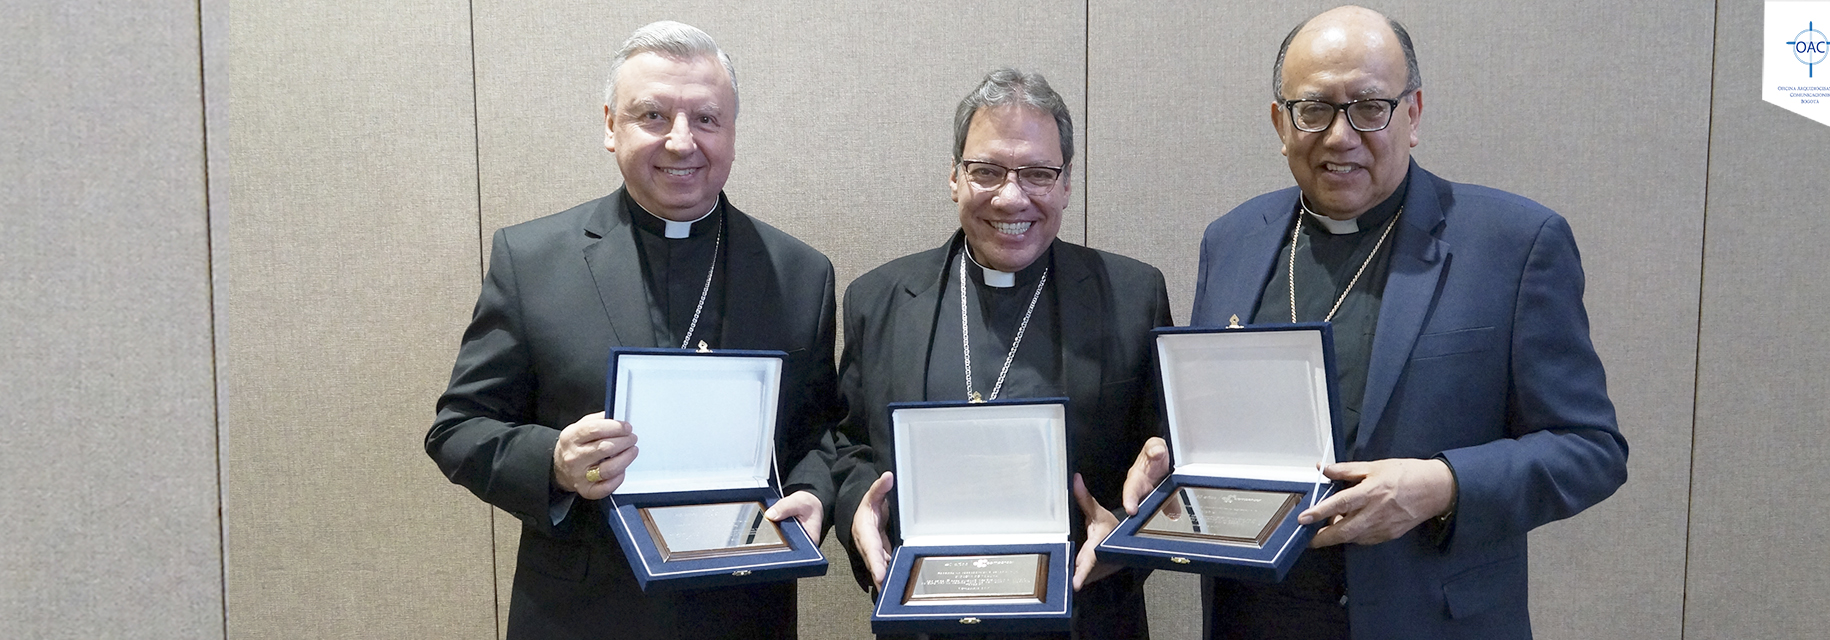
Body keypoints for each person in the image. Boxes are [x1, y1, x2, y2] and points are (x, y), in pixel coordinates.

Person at [1120, 6, 1629, 639]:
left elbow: (1591, 450)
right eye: (1314, 109)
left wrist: (1442, 485)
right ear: (1281, 123)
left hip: (1427, 619)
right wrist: (1168, 460)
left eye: (1369, 106)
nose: (1340, 136)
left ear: (1413, 115)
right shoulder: (1232, 240)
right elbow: (1220, 417)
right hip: (1257, 617)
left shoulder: (1515, 244)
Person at [426, 21, 841, 640]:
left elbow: (819, 431)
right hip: (583, 612)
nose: (681, 142)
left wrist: (812, 494)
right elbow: (457, 428)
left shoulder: (799, 273)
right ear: (610, 124)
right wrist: (555, 463)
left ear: (731, 132)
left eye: (706, 119)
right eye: (652, 114)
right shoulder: (533, 260)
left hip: (742, 611)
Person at [828, 68, 1170, 639]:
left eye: (1038, 173)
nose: (1012, 196)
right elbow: (848, 441)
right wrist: (861, 506)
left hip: (1085, 617)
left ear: (1066, 184)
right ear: (955, 178)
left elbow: (1165, 455)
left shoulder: (1134, 296)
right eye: (986, 171)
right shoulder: (878, 299)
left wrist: (1130, 534)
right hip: (925, 619)